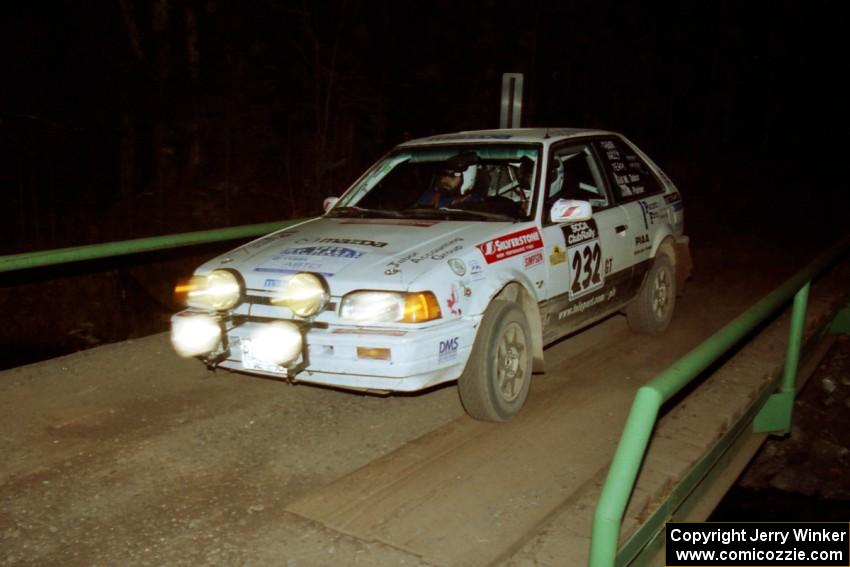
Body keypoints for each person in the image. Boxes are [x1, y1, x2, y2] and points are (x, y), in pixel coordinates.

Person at [415, 152, 480, 208]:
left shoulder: (475, 202)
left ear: (467, 177)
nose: (443, 180)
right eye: (443, 175)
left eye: (452, 176)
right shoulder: (429, 196)